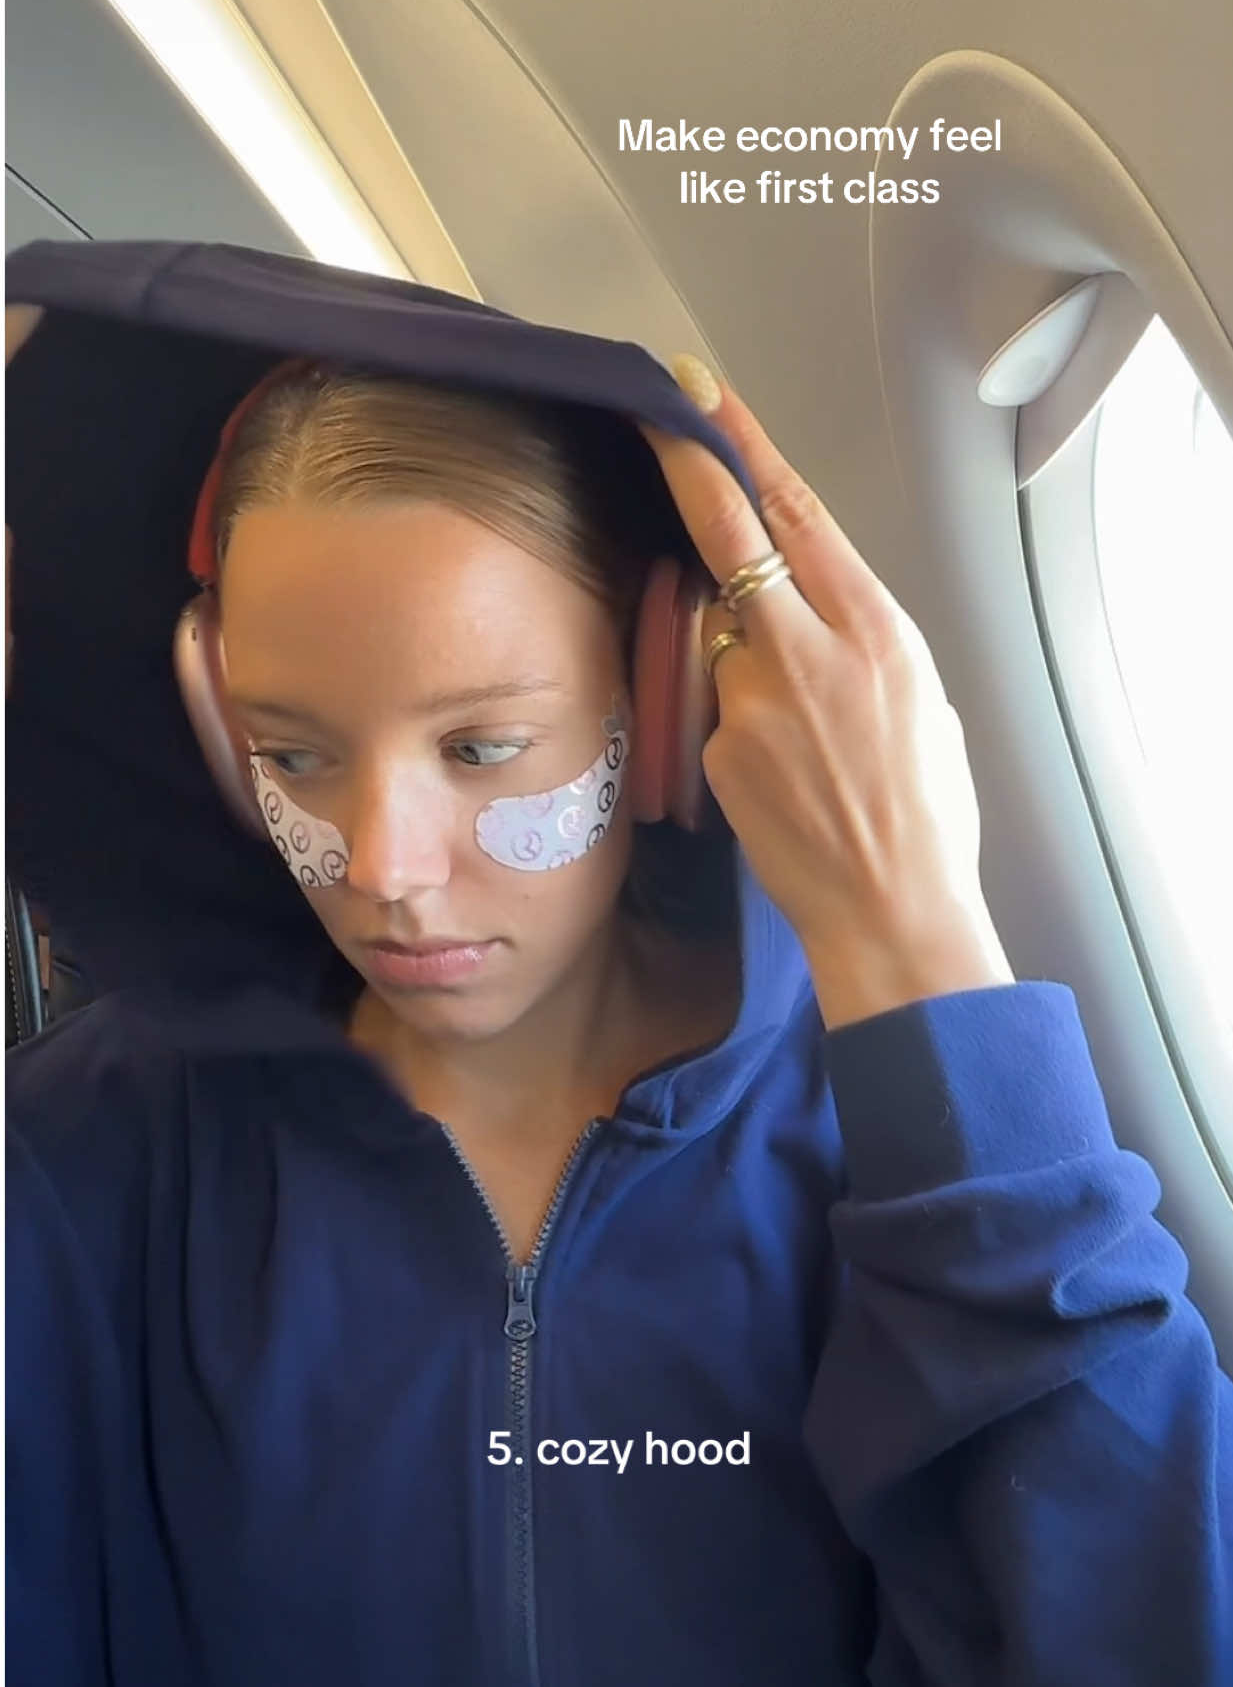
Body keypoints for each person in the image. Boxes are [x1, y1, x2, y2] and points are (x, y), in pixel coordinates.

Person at [6, 279, 1231, 1686]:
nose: (383, 866)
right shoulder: (89, 1154)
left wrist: (917, 936)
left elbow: (1146, 1639)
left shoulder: (895, 1152)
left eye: (481, 750)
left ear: (661, 706)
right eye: (292, 755)